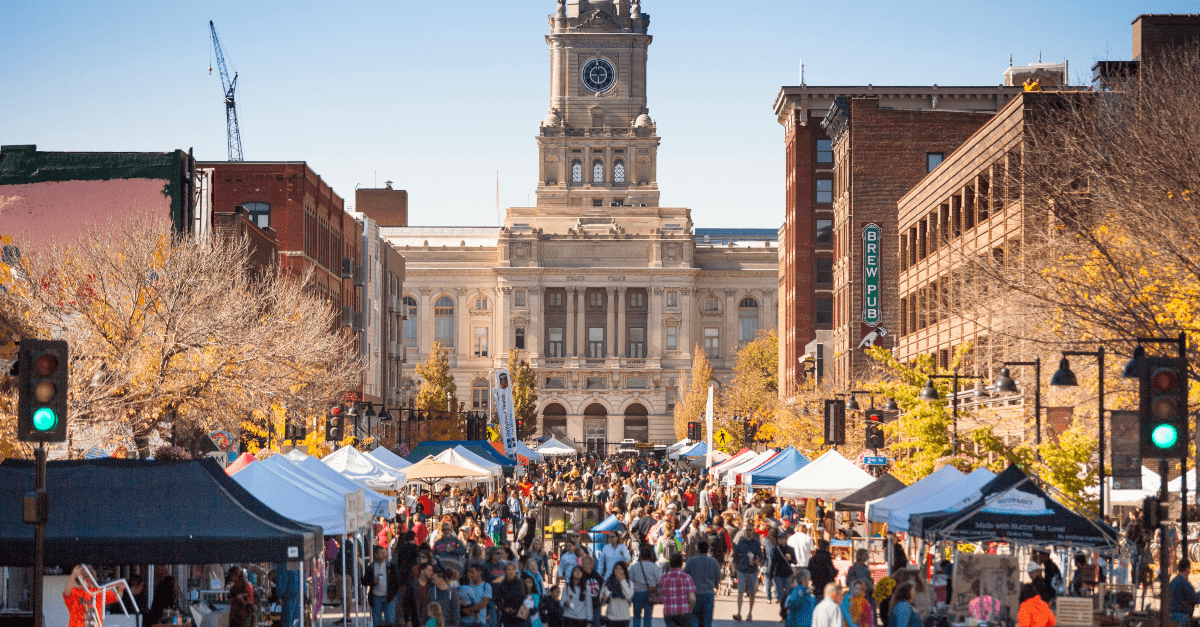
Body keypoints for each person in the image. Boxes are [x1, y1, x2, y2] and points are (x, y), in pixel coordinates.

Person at [732, 521, 764, 622]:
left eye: (750, 530)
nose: (748, 532)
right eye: (747, 530)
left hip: (752, 571)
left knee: (752, 593)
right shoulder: (741, 542)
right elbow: (735, 556)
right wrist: (733, 568)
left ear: (753, 531)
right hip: (741, 570)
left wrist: (755, 561)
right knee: (740, 592)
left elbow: (761, 557)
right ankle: (739, 613)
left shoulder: (756, 543)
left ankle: (750, 613)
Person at [684, 541, 719, 627]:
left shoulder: (691, 561)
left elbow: (684, 576)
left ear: (698, 549)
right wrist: (714, 585)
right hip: (708, 594)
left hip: (694, 594)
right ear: (708, 549)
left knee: (693, 618)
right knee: (707, 621)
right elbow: (718, 577)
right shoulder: (714, 562)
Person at [367, 546, 401, 627]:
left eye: (385, 553)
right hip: (376, 597)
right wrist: (372, 581)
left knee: (390, 621)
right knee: (377, 622)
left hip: (388, 597)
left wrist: (393, 594)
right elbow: (365, 580)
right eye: (382, 553)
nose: (384, 555)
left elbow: (396, 581)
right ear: (376, 555)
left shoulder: (390, 566)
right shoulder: (371, 567)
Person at [659, 553, 697, 627]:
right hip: (684, 612)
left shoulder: (663, 578)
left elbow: (661, 596)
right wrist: (690, 609)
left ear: (670, 564)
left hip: (669, 612)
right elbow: (692, 598)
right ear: (682, 564)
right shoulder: (687, 578)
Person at [630, 545, 662, 627]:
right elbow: (659, 580)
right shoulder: (654, 566)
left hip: (637, 593)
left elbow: (630, 580)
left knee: (636, 616)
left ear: (640, 556)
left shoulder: (634, 567)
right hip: (650, 594)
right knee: (648, 617)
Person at [603, 562, 635, 627]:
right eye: (616, 568)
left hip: (624, 617)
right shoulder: (608, 582)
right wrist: (604, 597)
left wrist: (623, 581)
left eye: (621, 569)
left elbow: (629, 595)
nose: (618, 570)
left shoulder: (629, 583)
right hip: (611, 617)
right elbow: (603, 599)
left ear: (624, 571)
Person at [1170, 559, 1200, 627]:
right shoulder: (1185, 583)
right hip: (1182, 617)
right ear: (1186, 569)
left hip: (1171, 616)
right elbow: (1194, 599)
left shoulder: (1173, 581)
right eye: (1189, 568)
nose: (1190, 571)